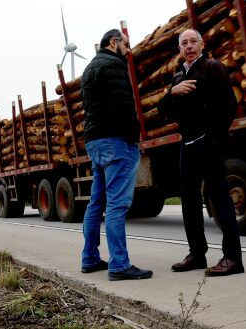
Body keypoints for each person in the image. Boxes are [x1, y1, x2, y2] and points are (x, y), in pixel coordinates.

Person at [158, 29, 243, 276]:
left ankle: (233, 258)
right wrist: (171, 93)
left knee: (219, 199)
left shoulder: (213, 68)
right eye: (184, 43)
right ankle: (197, 254)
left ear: (202, 44)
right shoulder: (177, 78)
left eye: (193, 41)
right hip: (187, 145)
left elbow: (230, 106)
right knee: (190, 203)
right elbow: (163, 111)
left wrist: (213, 137)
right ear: (179, 49)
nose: (189, 46)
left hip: (210, 143)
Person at [80, 29, 153, 281]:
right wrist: (134, 138)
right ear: (114, 42)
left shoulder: (90, 68)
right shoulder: (113, 65)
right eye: (126, 44)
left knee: (96, 204)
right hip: (116, 141)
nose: (128, 49)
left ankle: (89, 258)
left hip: (95, 141)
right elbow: (123, 106)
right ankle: (119, 265)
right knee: (117, 205)